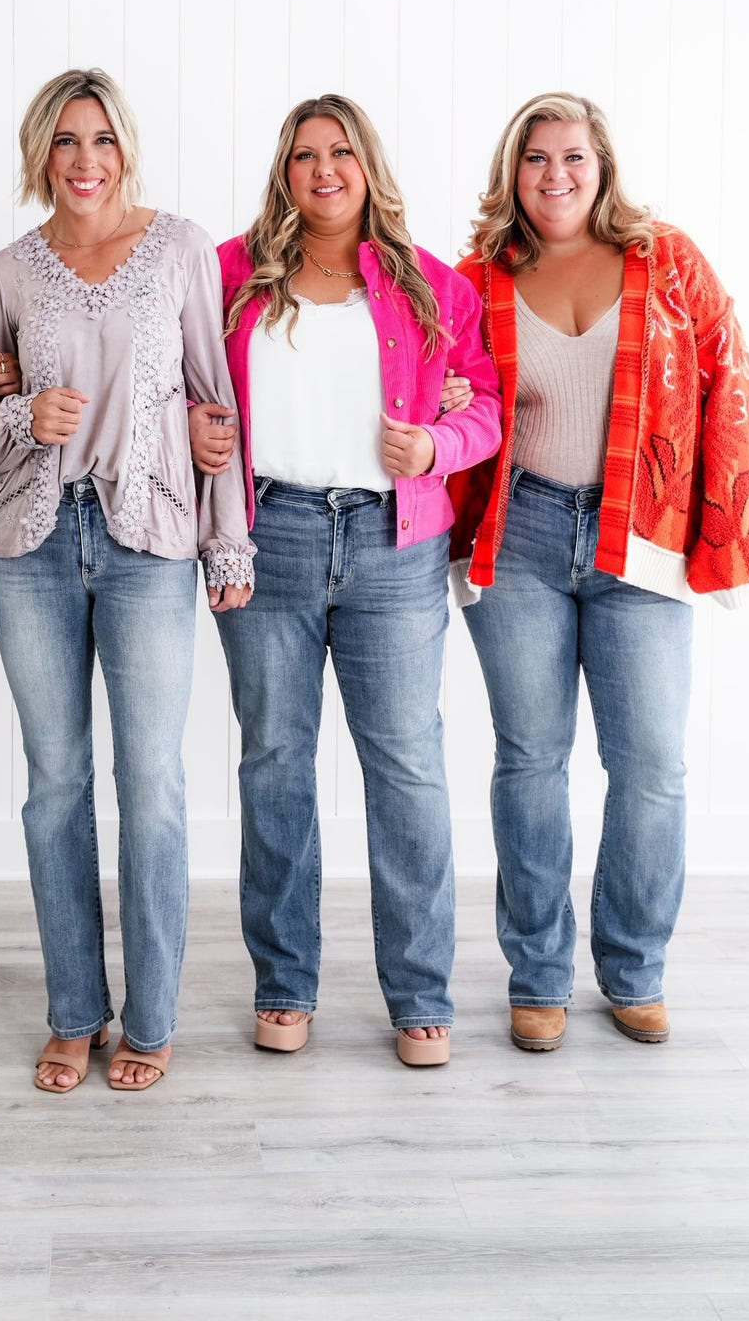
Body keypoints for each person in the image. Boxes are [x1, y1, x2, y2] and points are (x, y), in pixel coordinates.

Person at [450, 92, 749, 1052]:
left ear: (602, 168)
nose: (555, 175)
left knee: (650, 767)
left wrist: (726, 526)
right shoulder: (477, 276)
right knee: (530, 760)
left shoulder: (667, 259)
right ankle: (538, 976)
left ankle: (634, 969)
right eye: (536, 159)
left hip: (639, 539)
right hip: (521, 536)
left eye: (573, 157)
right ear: (513, 172)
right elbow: (447, 399)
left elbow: (730, 380)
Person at [188, 94, 501, 1066]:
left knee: (406, 767)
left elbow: (487, 408)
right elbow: (171, 377)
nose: (323, 170)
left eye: (341, 153)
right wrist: (191, 426)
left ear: (368, 166)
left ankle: (421, 996)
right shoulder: (228, 274)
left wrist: (438, 444)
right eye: (304, 155)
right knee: (275, 764)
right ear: (284, 172)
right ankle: (285, 985)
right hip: (267, 534)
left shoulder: (433, 287)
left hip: (393, 547)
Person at [0, 67, 253, 1095]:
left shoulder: (179, 249)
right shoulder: (7, 271)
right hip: (33, 545)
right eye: (64, 141)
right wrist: (20, 416)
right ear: (40, 153)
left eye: (100, 139)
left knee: (154, 785)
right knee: (55, 786)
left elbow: (216, 404)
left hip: (149, 543)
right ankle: (73, 1013)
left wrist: (227, 545)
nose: (84, 161)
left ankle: (153, 1017)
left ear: (125, 147)